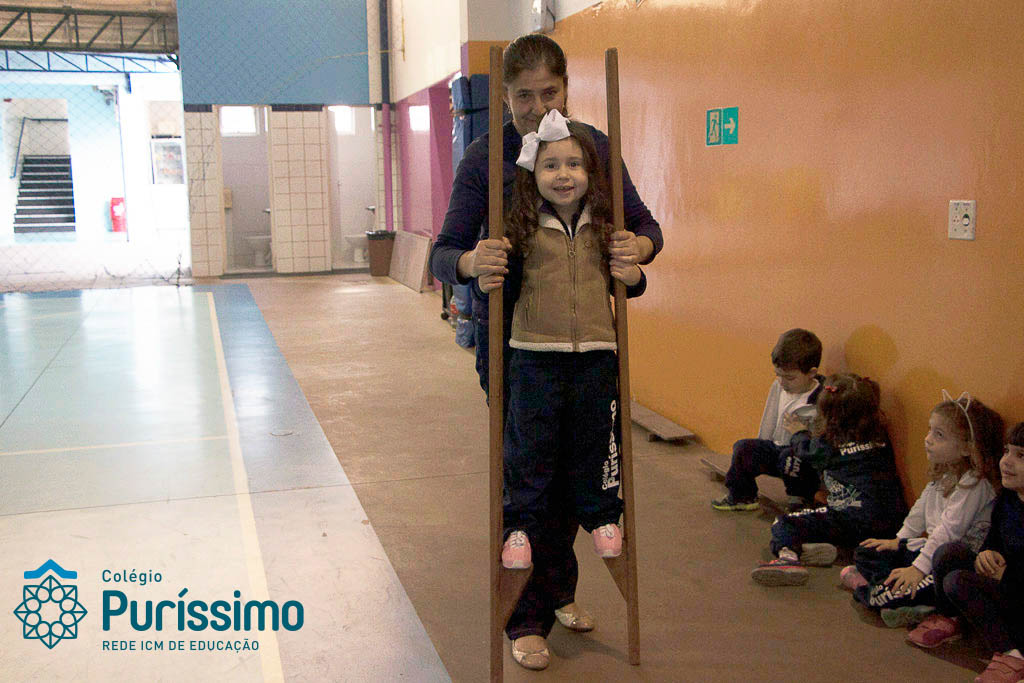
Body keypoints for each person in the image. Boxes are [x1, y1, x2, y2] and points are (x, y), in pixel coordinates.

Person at [427, 34, 663, 671]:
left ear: (566, 88)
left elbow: (645, 226)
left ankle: (559, 590)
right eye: (523, 96)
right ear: (504, 96)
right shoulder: (486, 156)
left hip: (585, 346)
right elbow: (443, 252)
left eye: (549, 93)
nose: (537, 108)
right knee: (528, 477)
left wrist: (637, 250)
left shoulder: (590, 147)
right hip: (513, 347)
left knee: (575, 475)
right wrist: (471, 262)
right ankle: (526, 619)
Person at [496, 108, 644, 575]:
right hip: (534, 355)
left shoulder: (605, 226)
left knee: (597, 442)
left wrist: (635, 276)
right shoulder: (520, 228)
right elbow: (497, 288)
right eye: (551, 165)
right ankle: (519, 526)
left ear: (590, 172)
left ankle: (602, 515)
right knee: (529, 448)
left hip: (596, 354)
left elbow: (630, 281)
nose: (563, 175)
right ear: (532, 174)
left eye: (574, 164)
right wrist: (482, 276)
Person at [844, 392, 1003, 627]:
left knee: (883, 595)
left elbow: (949, 531)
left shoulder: (975, 483)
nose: (928, 439)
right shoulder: (944, 470)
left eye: (939, 435)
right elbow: (919, 509)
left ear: (967, 448)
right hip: (927, 549)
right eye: (930, 430)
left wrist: (917, 569)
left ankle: (875, 591)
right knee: (866, 551)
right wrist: (899, 540)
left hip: (944, 564)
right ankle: (903, 595)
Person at [750, 373, 908, 586]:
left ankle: (788, 558)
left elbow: (806, 452)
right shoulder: (880, 435)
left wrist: (799, 432)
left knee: (785, 523)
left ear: (829, 416)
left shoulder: (827, 443)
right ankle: (836, 552)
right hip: (890, 522)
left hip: (848, 518)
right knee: (861, 540)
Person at [906, 422, 1024, 683]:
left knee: (956, 581)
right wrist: (987, 553)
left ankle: (1013, 655)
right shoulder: (1008, 498)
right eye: (1007, 451)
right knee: (948, 553)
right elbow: (994, 539)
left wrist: (1008, 574)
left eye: (1021, 456)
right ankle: (950, 618)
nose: (1007, 461)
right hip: (1003, 583)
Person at [711, 329, 824, 512]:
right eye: (778, 374)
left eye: (790, 377)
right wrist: (760, 445)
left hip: (802, 460)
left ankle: (800, 503)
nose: (782, 382)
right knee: (743, 448)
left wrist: (801, 432)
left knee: (789, 458)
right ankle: (743, 496)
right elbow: (769, 418)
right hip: (777, 450)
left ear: (812, 373)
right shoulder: (778, 387)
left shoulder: (820, 400)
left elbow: (818, 447)